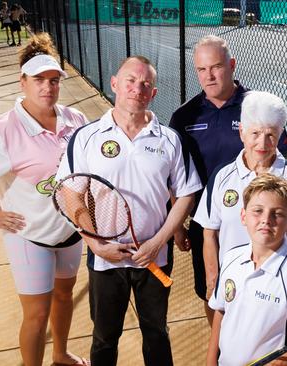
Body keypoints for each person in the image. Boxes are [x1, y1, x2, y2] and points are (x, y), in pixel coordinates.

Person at [0, 33, 90, 366]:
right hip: (29, 236)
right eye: (38, 79)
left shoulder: (75, 120)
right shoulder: (2, 131)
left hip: (69, 233)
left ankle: (61, 353)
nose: (47, 88)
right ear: (22, 82)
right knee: (37, 315)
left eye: (54, 80)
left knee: (64, 296)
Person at [55, 56, 202, 366]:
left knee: (157, 334)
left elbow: (186, 194)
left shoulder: (170, 140)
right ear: (114, 84)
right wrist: (96, 244)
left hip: (155, 257)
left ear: (153, 93)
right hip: (105, 259)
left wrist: (158, 242)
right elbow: (72, 196)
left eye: (145, 84)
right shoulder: (86, 138)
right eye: (131, 81)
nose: (138, 88)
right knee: (105, 338)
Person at [168, 35, 287, 324]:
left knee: (260, 296)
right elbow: (177, 176)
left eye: (216, 67)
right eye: (201, 69)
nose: (209, 76)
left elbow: (280, 161)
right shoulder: (184, 116)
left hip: (260, 224)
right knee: (213, 293)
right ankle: (222, 349)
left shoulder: (257, 108)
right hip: (208, 226)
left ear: (232, 65)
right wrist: (177, 227)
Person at [193, 90, 287, 305]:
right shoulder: (222, 175)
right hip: (231, 283)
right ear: (242, 132)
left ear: (280, 135)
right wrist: (213, 279)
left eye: (271, 134)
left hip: (274, 288)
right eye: (255, 134)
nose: (262, 143)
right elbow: (209, 232)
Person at [207, 174, 287, 366]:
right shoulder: (231, 258)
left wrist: (280, 363)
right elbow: (221, 311)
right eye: (258, 211)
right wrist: (211, 362)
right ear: (243, 216)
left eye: (277, 213)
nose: (266, 220)